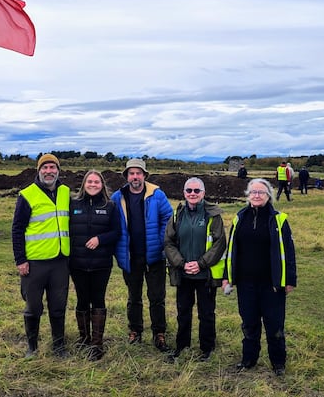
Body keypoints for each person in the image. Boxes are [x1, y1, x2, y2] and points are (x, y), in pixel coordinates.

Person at [222, 178, 297, 377]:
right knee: (249, 323)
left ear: (268, 196)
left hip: (272, 284)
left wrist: (290, 280)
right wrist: (227, 277)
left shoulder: (279, 220)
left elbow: (289, 252)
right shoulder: (240, 218)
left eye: (261, 193)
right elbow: (231, 250)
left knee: (274, 325)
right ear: (248, 195)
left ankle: (278, 363)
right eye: (253, 192)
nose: (256, 195)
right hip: (246, 283)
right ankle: (248, 359)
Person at [111, 158, 174, 352]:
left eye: (139, 173)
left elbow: (168, 217)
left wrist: (161, 241)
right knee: (134, 297)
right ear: (127, 176)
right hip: (130, 257)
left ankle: (159, 333)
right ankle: (135, 331)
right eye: (132, 173)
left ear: (145, 175)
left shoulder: (157, 195)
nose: (135, 176)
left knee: (157, 297)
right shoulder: (117, 197)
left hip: (154, 256)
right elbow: (111, 223)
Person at [12, 153, 71, 358]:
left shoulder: (65, 192)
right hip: (35, 263)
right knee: (33, 307)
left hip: (60, 262)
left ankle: (59, 346)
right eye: (44, 168)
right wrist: (20, 260)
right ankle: (32, 347)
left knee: (58, 306)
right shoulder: (27, 195)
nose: (49, 172)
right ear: (39, 171)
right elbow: (17, 229)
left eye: (52, 168)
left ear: (58, 170)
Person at [164, 177, 226, 362]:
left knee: (206, 313)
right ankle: (182, 346)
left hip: (205, 274)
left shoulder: (213, 215)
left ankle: (207, 348)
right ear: (184, 193)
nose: (192, 194)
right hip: (183, 274)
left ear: (203, 193)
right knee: (183, 311)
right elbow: (168, 242)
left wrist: (200, 263)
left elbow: (219, 243)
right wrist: (182, 264)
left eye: (196, 191)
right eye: (189, 190)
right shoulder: (177, 215)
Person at [69, 170, 121, 361]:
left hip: (101, 263)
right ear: (84, 184)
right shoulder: (73, 204)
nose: (92, 184)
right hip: (77, 263)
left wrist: (100, 239)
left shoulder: (110, 206)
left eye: (96, 182)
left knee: (98, 300)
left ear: (102, 185)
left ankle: (97, 345)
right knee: (82, 300)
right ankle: (84, 339)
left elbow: (117, 232)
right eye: (89, 181)